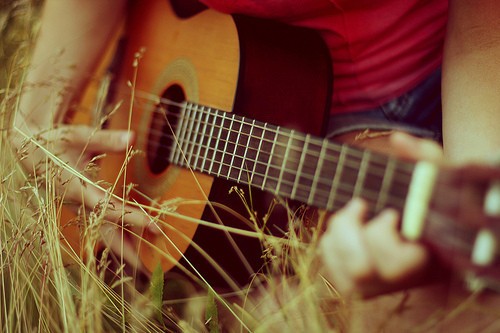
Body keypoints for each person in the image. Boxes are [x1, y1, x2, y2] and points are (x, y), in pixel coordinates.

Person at [9, 0, 500, 329]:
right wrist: (41, 103)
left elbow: (486, 38)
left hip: (417, 97)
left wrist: (482, 166)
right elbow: (43, 108)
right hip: (230, 65)